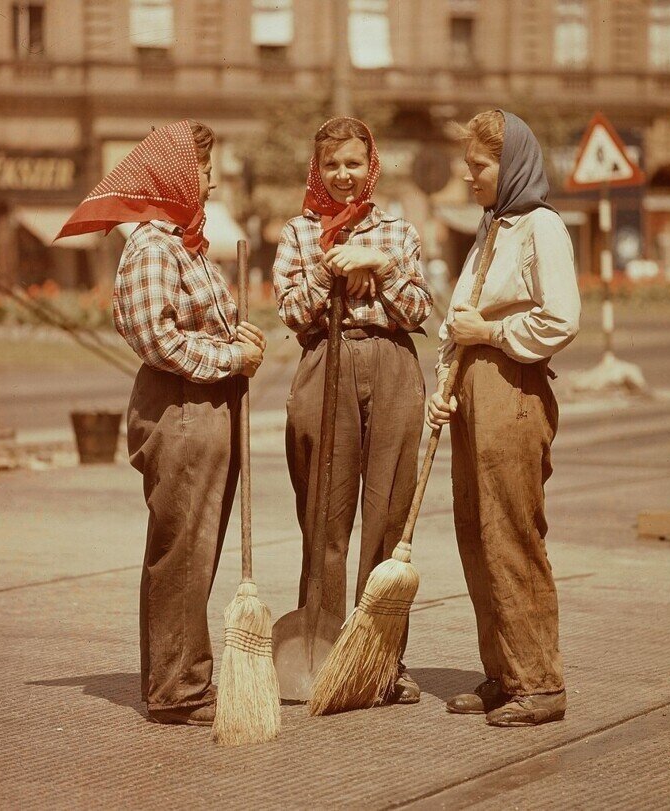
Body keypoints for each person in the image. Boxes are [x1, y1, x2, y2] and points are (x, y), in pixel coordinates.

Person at [58, 120, 267, 726]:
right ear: (178, 174)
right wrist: (230, 357)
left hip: (206, 404)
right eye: (203, 170)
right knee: (183, 550)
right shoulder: (153, 246)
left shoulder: (188, 243)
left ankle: (181, 676)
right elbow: (157, 338)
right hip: (179, 409)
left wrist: (240, 337)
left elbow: (201, 325)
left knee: (197, 549)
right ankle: (178, 688)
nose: (210, 181)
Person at [427, 110, 581, 727]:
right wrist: (443, 387)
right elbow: (458, 318)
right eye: (468, 165)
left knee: (511, 533)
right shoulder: (493, 227)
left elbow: (561, 319)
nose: (469, 177)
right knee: (475, 532)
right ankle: (504, 672)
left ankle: (539, 683)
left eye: (479, 166)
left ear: (509, 163)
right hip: (474, 388)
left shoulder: (542, 226)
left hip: (513, 386)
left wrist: (490, 332)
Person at [273, 117, 433, 703]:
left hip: (393, 364)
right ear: (318, 169)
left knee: (388, 521)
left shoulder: (398, 230)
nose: (344, 176)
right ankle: (321, 649)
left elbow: (418, 310)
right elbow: (291, 311)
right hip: (326, 363)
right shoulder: (297, 231)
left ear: (372, 167)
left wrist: (380, 267)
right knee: (324, 518)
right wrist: (329, 266)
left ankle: (381, 660)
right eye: (332, 165)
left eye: (354, 164)